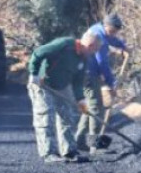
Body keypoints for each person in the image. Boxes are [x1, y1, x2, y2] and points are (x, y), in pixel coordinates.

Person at [27, 30, 103, 163]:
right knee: (46, 117)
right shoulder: (65, 45)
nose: (94, 54)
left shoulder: (83, 59)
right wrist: (34, 73)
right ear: (90, 46)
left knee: (67, 117)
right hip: (43, 83)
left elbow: (78, 82)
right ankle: (49, 153)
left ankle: (69, 151)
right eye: (95, 50)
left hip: (62, 86)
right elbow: (38, 53)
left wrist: (81, 101)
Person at [76, 13, 129, 152]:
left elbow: (111, 38)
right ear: (106, 26)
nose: (113, 34)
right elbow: (103, 64)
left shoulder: (98, 28)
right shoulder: (100, 38)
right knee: (96, 108)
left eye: (116, 32)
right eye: (112, 31)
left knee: (90, 107)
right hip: (89, 74)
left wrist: (123, 46)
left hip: (86, 72)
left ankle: (79, 141)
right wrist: (112, 84)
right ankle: (94, 145)